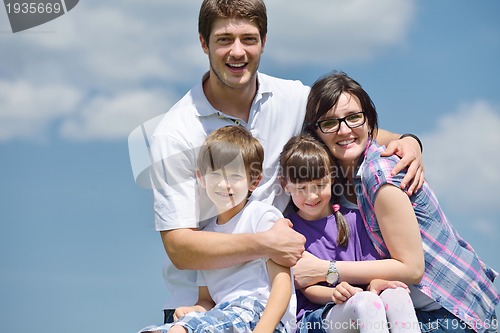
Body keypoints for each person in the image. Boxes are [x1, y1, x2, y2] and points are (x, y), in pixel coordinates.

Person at [143, 0, 425, 325]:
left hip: (280, 304)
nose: (238, 51)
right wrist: (266, 243)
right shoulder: (176, 132)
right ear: (204, 42)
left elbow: (346, 131)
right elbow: (180, 247)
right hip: (203, 306)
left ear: (263, 41)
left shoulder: (291, 99)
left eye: (248, 39)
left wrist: (407, 141)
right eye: (224, 39)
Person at [293, 70, 500, 333]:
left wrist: (326, 270)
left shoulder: (378, 173)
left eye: (353, 118)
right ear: (317, 132)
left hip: (450, 310)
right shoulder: (332, 179)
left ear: (369, 122)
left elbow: (411, 268)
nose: (344, 129)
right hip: (410, 304)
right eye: (330, 123)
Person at [141, 126, 295, 333]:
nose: (225, 185)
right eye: (216, 175)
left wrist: (264, 329)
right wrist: (194, 310)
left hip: (261, 313)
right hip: (224, 314)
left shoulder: (262, 216)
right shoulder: (208, 237)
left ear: (254, 181)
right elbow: (206, 300)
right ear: (202, 178)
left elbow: (282, 283)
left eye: (235, 176)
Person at [279, 134, 420, 333]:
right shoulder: (290, 229)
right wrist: (335, 293)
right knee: (364, 303)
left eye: (319, 185)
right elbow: (307, 287)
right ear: (285, 184)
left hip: (360, 300)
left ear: (332, 178)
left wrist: (376, 282)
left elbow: (369, 266)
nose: (311, 196)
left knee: (396, 294)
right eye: (301, 188)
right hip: (315, 316)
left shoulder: (353, 220)